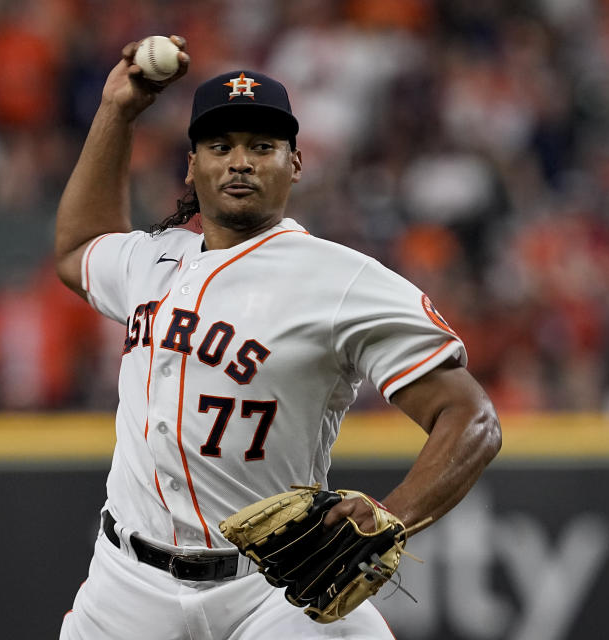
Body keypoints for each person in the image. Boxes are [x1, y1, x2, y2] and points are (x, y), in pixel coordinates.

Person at [55, 35, 501, 640]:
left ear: (295, 162)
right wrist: (117, 111)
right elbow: (80, 248)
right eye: (220, 146)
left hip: (276, 587)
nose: (239, 162)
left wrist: (391, 515)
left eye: (262, 147)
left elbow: (471, 417)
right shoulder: (151, 259)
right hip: (126, 585)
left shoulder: (340, 280)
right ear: (192, 165)